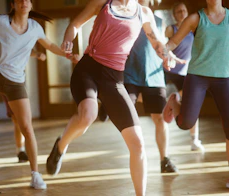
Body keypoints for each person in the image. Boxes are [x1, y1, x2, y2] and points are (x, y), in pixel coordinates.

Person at [46, 0, 178, 195]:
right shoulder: (103, 4)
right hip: (88, 71)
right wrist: (67, 40)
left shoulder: (143, 13)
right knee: (87, 116)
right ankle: (61, 146)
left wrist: (167, 55)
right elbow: (75, 25)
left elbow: (157, 42)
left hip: (114, 80)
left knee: (138, 144)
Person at [0, 0, 76, 189]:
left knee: (27, 128)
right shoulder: (1, 22)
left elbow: (51, 45)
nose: (24, 2)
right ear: (13, 4)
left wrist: (68, 55)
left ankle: (35, 175)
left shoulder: (35, 28)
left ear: (31, 4)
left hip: (16, 83)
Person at [162, 0, 229, 188]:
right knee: (185, 123)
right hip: (198, 76)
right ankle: (175, 100)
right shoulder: (195, 18)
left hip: (225, 77)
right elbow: (173, 42)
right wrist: (165, 54)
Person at [165, 2, 205, 152]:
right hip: (170, 72)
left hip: (186, 74)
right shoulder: (171, 29)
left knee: (191, 106)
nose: (182, 13)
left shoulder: (194, 29)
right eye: (178, 11)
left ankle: (195, 140)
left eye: (184, 11)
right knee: (166, 102)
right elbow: (163, 45)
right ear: (174, 15)